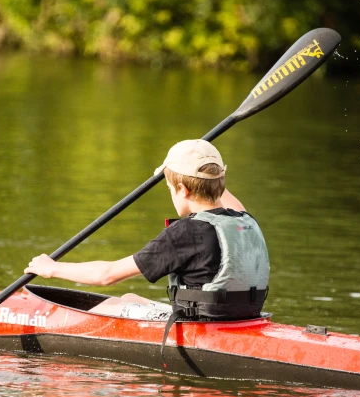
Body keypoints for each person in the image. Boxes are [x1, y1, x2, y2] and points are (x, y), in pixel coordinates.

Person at [24, 139, 269, 325]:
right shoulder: (244, 220)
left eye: (169, 188)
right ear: (219, 181)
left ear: (182, 189)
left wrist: (52, 268)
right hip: (241, 319)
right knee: (131, 298)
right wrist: (202, 159)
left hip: (202, 326)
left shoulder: (187, 232)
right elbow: (219, 191)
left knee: (102, 307)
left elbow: (108, 275)